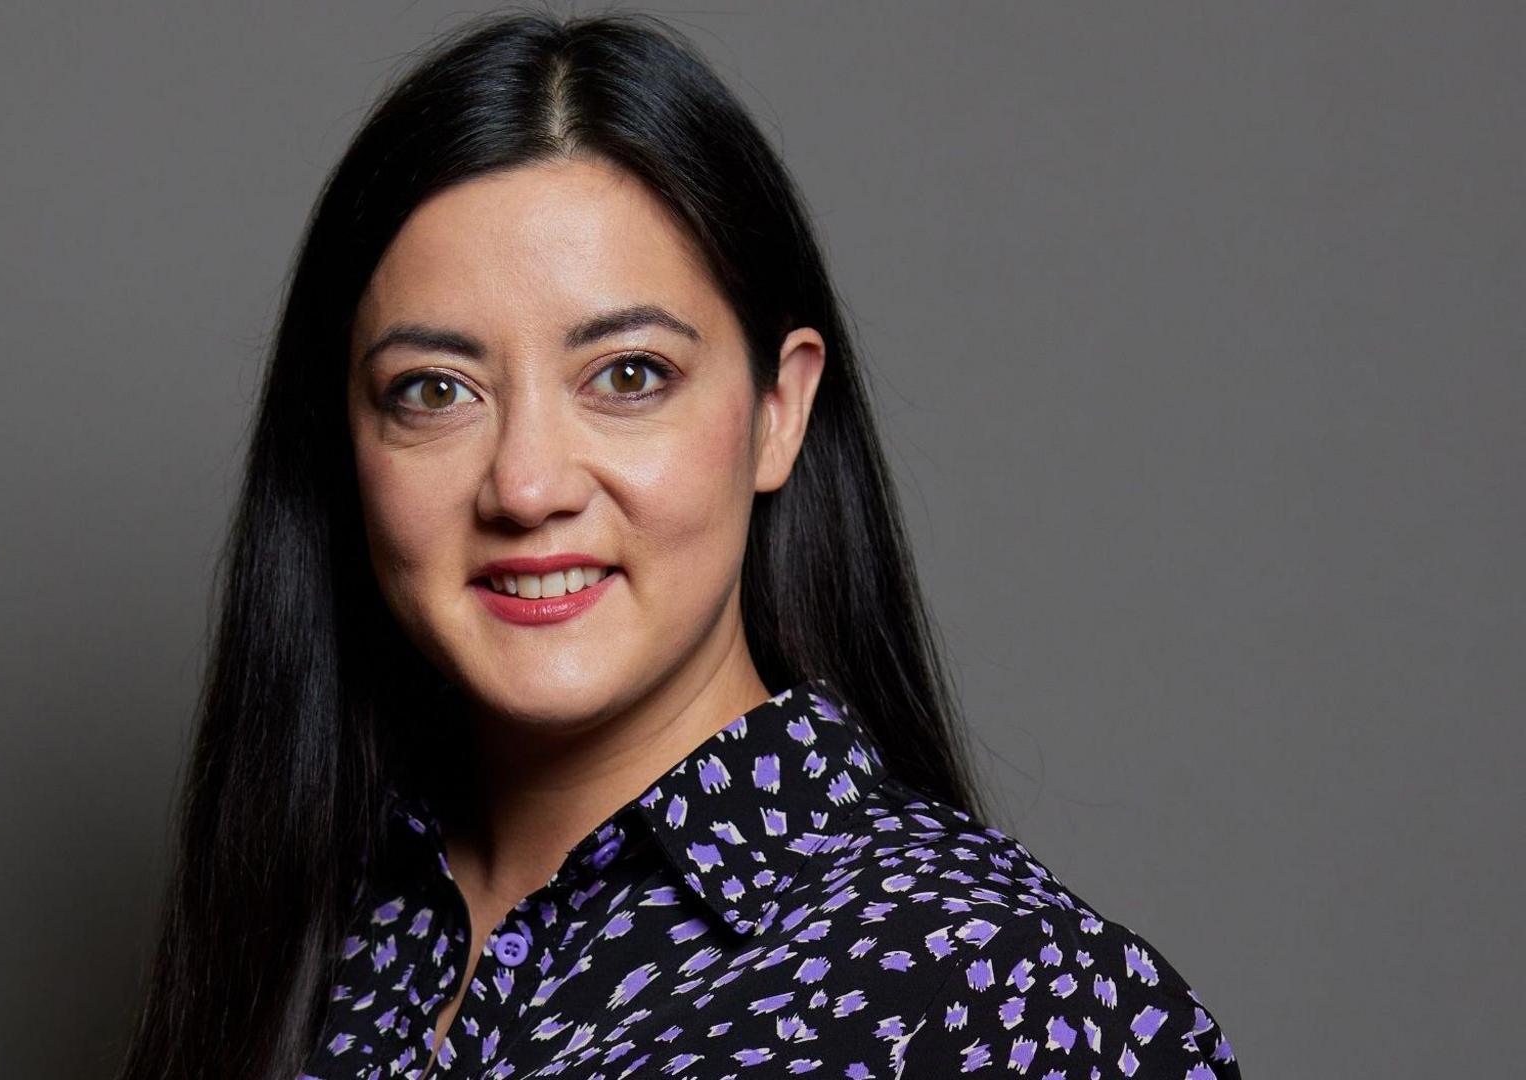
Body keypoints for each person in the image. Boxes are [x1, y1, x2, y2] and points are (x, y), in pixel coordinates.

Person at [115, 11, 1240, 1080]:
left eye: (628, 376)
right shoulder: (311, 938)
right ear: (345, 440)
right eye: (435, 391)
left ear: (777, 411)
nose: (526, 484)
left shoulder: (1007, 996)